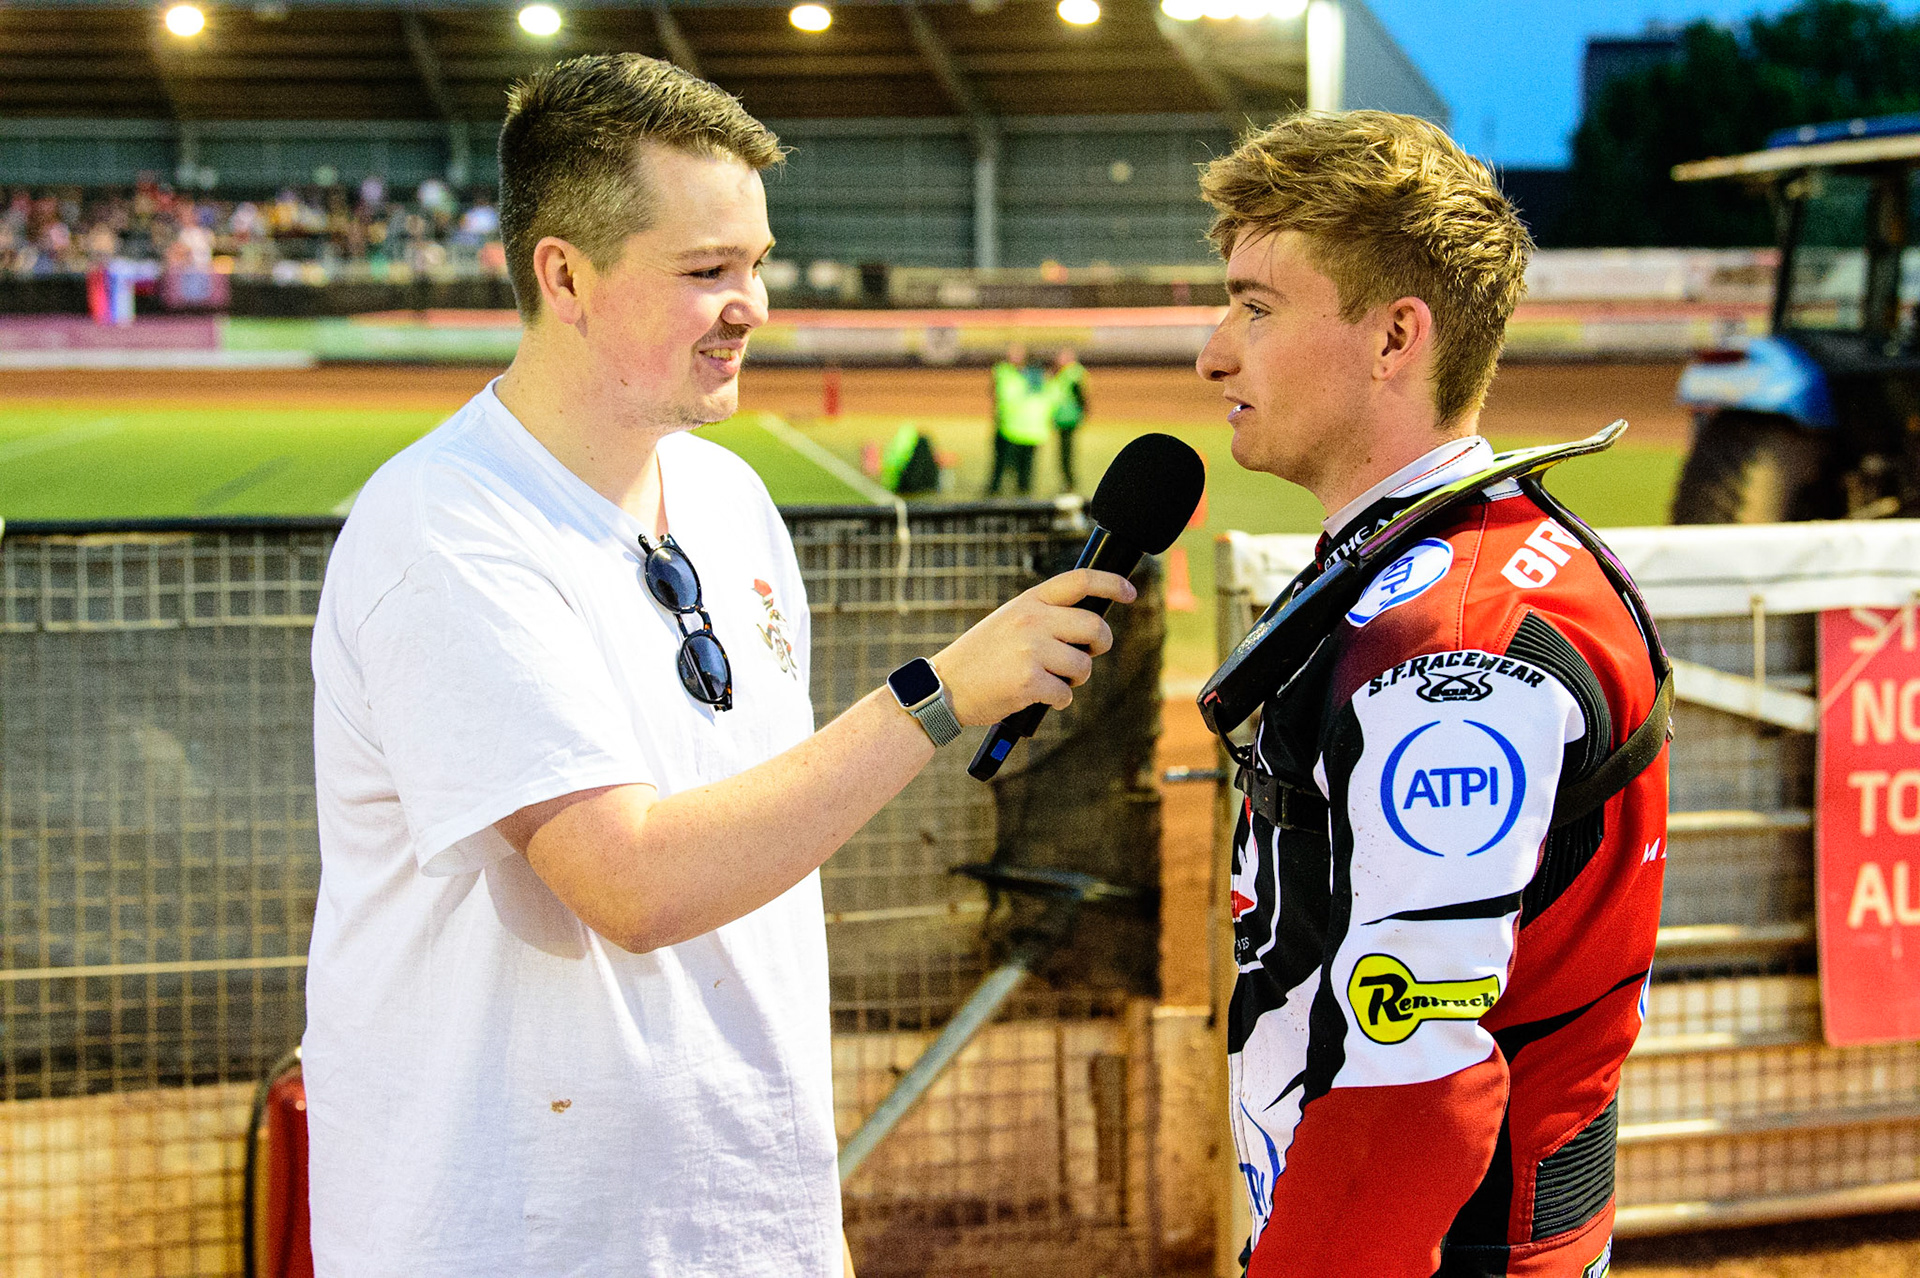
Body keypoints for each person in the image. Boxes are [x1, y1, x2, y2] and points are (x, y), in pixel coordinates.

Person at [302, 53, 1134, 1278]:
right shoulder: (447, 528)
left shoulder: (730, 497)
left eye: (755, 262)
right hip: (520, 1236)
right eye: (706, 272)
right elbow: (632, 885)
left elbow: (751, 839)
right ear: (565, 275)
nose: (751, 303)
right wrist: (936, 697)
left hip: (745, 1220)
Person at [1194, 111, 1669, 1277]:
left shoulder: (1451, 648)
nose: (1214, 352)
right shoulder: (1429, 557)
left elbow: (1412, 1085)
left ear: (1396, 336)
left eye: (1257, 308)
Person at [988, 341, 1049, 495]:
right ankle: (995, 490)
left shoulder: (1035, 375)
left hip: (1027, 429)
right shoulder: (1003, 371)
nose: (1013, 357)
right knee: (1001, 464)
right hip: (1008, 425)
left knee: (1025, 467)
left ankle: (1022, 492)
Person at [1045, 347, 1089, 491]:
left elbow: (1082, 397)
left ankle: (1069, 482)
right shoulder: (1061, 374)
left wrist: (1082, 414)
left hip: (1069, 419)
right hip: (1061, 418)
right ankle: (1067, 481)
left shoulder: (1073, 374)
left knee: (1066, 454)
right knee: (1063, 454)